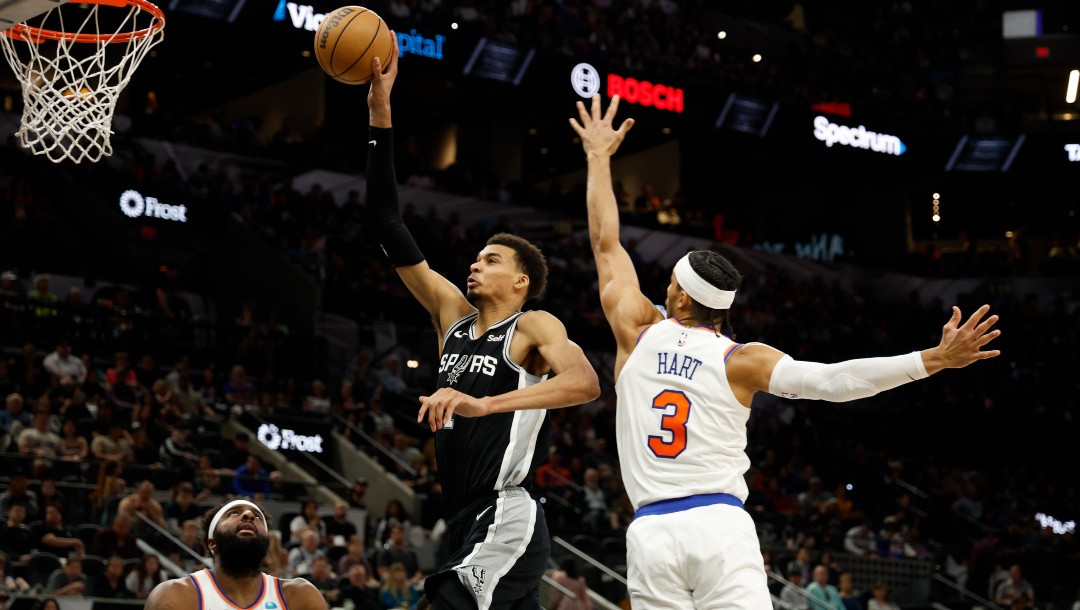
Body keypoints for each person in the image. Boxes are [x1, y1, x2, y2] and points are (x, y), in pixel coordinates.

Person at [570, 93, 1003, 609]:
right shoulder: (742, 359)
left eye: (669, 282)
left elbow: (604, 242)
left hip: (650, 532)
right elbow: (833, 382)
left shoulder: (635, 329)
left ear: (681, 296)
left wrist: (598, 156)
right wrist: (930, 360)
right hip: (719, 527)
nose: (664, 288)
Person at [365, 39, 600, 610]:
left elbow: (587, 384)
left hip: (507, 508)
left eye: (492, 259)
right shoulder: (451, 313)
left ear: (521, 281)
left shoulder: (533, 326)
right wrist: (380, 115)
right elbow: (386, 220)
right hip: (462, 515)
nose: (475, 263)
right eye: (476, 257)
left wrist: (486, 404)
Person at [144, 500, 327, 609]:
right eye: (233, 513)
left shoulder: (301, 597)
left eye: (257, 516)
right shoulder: (175, 596)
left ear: (266, 542)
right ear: (212, 542)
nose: (248, 515)